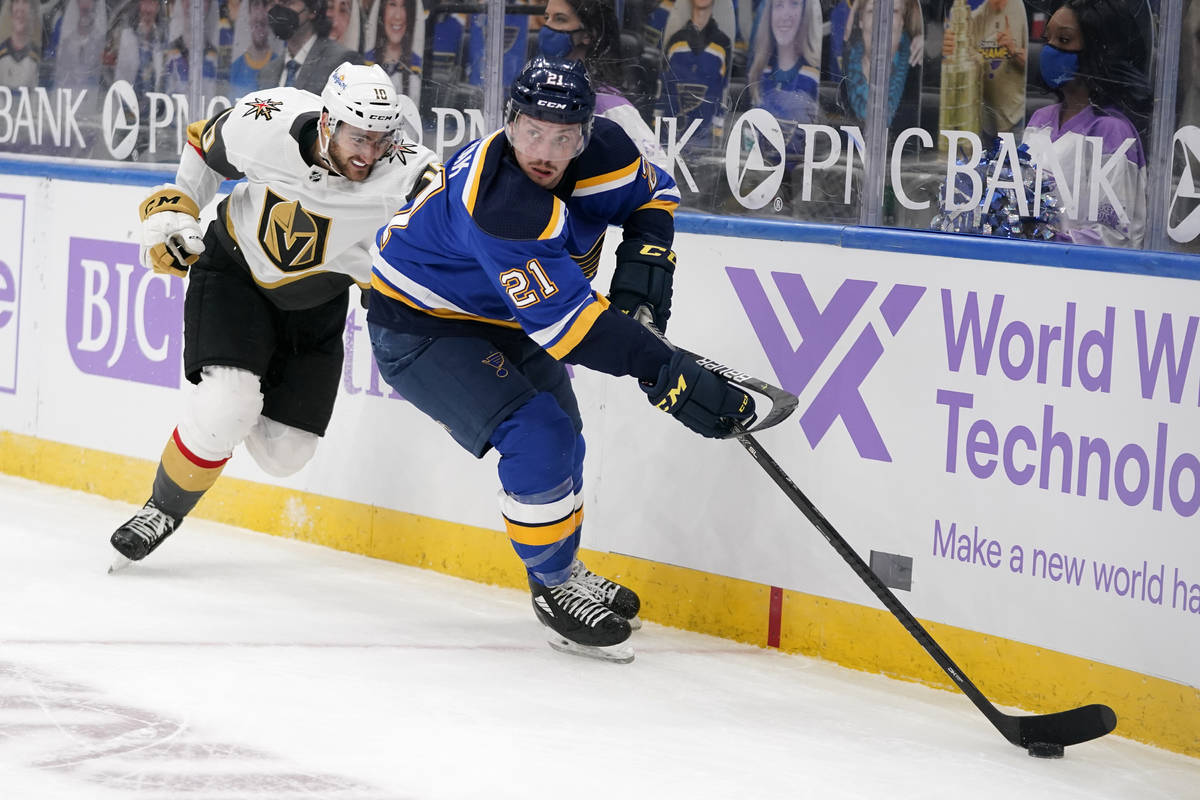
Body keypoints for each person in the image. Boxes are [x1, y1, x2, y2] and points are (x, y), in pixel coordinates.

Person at [368, 57, 756, 663]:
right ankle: (552, 587)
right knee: (539, 436)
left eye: (563, 137)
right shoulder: (501, 205)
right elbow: (570, 330)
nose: (544, 151)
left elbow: (655, 194)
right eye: (531, 132)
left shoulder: (608, 149)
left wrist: (643, 275)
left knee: (565, 434)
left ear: (585, 135)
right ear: (509, 123)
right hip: (423, 326)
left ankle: (564, 570)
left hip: (502, 314)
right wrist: (662, 368)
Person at [108, 63, 437, 568]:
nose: (369, 155)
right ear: (327, 122)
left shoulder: (411, 172)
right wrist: (176, 211)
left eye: (380, 140)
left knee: (287, 456)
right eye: (358, 137)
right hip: (236, 270)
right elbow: (202, 143)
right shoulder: (268, 120)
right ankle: (163, 506)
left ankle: (226, 411)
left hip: (318, 302)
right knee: (228, 403)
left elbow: (461, 218)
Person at [1020, 0, 1149, 248]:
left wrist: (1047, 240)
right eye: (1048, 39)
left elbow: (1117, 235)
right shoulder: (1040, 120)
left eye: (1064, 40)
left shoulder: (1112, 132)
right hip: (1032, 269)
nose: (1050, 50)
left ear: (1100, 50)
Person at [537, 0, 666, 167]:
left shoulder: (609, 106)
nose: (547, 27)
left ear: (587, 35)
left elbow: (661, 173)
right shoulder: (533, 92)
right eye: (547, 17)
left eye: (560, 19)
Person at [941, 0, 1028, 143]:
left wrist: (1013, 50)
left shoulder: (1021, 9)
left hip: (1015, 118)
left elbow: (1035, 67)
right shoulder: (975, 17)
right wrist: (948, 48)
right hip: (984, 120)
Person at [746, 0, 823, 147]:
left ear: (804, 12)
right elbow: (749, 140)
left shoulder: (812, 78)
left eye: (794, 3)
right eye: (779, 5)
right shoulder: (758, 75)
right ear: (769, 13)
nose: (785, 15)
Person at [660, 0, 733, 150]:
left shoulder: (722, 44)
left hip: (703, 141)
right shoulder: (676, 41)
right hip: (671, 138)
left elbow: (723, 92)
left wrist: (717, 137)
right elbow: (664, 91)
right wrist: (660, 133)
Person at [841, 0, 923, 126]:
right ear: (861, 21)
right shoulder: (840, 68)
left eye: (894, 11)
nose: (882, 20)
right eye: (872, 11)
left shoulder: (918, 69)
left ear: (902, 22)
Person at [258, 0, 362, 92]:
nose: (278, 11)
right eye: (271, 3)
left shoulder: (342, 62)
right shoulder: (267, 72)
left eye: (287, 2)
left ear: (313, 10)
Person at [363, 0, 419, 103]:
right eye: (393, 4)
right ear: (382, 11)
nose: (398, 16)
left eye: (404, 6)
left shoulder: (415, 71)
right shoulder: (362, 64)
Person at [114, 0, 166, 100]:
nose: (148, 9)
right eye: (145, 3)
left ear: (158, 7)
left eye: (151, 4)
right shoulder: (126, 36)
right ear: (139, 5)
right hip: (127, 105)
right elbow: (120, 76)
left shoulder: (162, 40)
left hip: (155, 108)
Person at [227, 0, 280, 97]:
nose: (260, 15)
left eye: (265, 5)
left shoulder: (281, 66)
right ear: (249, 13)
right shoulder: (236, 68)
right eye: (256, 5)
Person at [0, 0, 40, 87]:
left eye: (25, 2)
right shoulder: (1, 52)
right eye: (16, 1)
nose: (20, 8)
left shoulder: (39, 55)